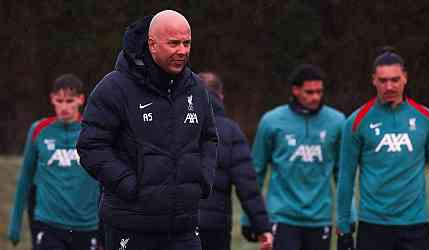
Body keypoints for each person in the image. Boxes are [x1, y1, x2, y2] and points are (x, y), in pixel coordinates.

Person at [76, 10, 218, 250]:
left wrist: (202, 179)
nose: (182, 50)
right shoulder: (114, 88)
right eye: (174, 43)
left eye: (187, 43)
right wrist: (131, 185)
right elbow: (91, 146)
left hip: (184, 229)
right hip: (131, 227)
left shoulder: (197, 89)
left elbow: (208, 138)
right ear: (152, 44)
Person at [337, 47, 429, 250]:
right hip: (373, 227)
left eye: (395, 79)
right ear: (373, 80)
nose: (389, 86)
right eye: (383, 80)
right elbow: (346, 176)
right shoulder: (356, 122)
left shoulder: (428, 119)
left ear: (405, 78)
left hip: (415, 226)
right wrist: (343, 228)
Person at [242, 64, 348, 250]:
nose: (316, 97)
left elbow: (343, 175)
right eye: (309, 92)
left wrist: (348, 216)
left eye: (319, 91)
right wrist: (249, 217)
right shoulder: (271, 121)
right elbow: (256, 172)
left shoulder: (337, 122)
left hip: (319, 218)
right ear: (295, 90)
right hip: (282, 217)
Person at [8, 74, 101, 250]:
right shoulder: (39, 131)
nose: (64, 107)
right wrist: (15, 223)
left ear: (81, 100)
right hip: (48, 224)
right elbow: (25, 179)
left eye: (69, 101)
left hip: (87, 226)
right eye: (59, 101)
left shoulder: (93, 132)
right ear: (52, 99)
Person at [197, 72, 273, 250]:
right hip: (215, 228)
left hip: (178, 224)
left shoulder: (172, 123)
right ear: (221, 96)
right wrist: (262, 227)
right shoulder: (230, 132)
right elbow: (248, 187)